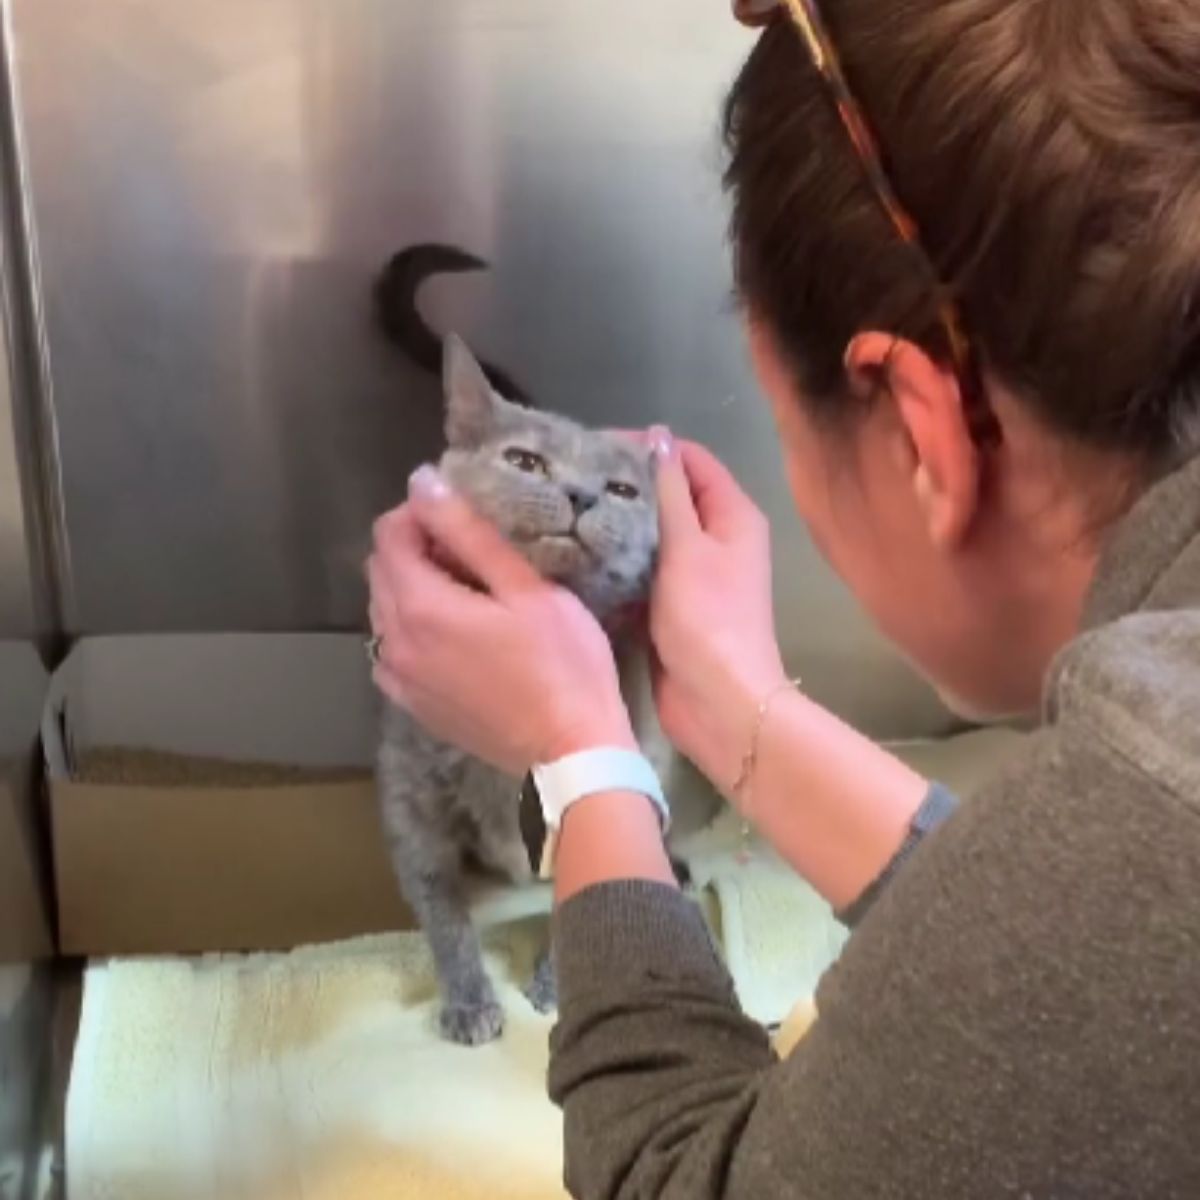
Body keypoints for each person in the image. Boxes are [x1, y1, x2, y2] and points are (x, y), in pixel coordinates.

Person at [366, 0, 1200, 1194]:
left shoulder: (1152, 807)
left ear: (921, 437)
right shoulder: (1149, 789)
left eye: (781, 426)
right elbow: (1088, 964)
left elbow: (683, 1177)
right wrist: (738, 708)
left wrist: (583, 760)